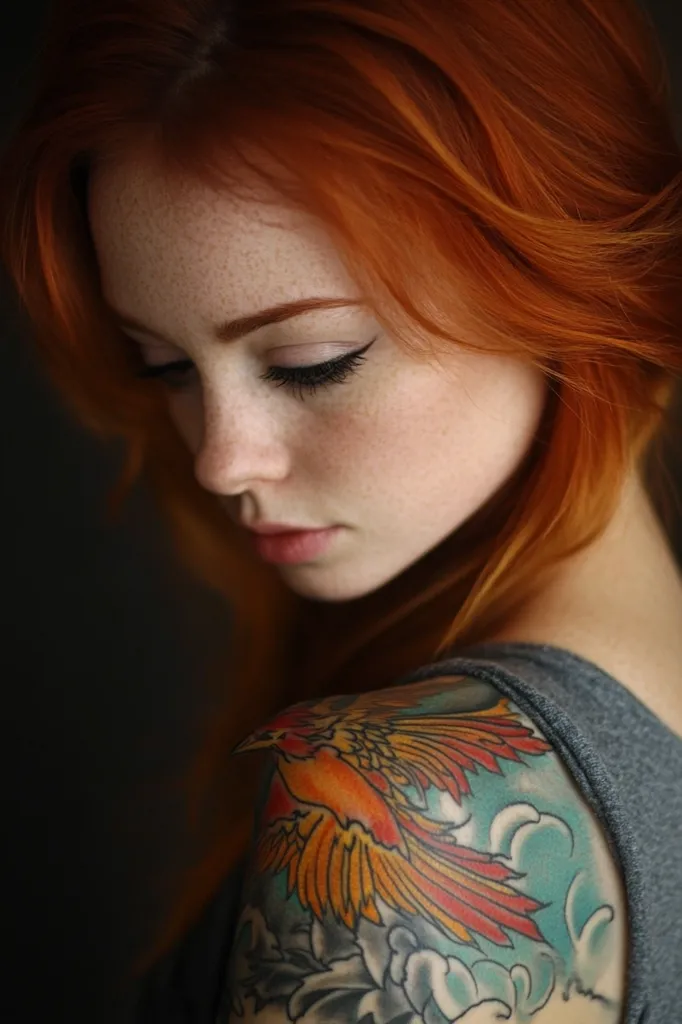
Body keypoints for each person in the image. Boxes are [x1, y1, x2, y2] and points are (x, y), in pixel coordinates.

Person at [2, 0, 682, 1021]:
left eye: (315, 362)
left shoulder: (414, 814)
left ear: (564, 285)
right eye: (167, 366)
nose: (221, 457)